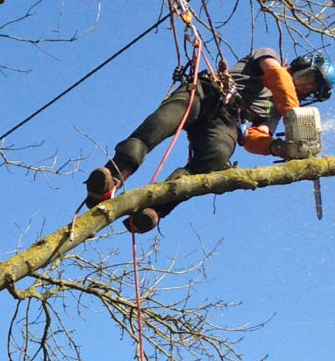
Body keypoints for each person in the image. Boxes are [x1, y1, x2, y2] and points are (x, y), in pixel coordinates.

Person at [83, 49, 335, 233]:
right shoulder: (270, 58)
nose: (307, 90)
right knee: (160, 123)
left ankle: (156, 208)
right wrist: (294, 114)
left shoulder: (276, 111)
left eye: (312, 91)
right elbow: (276, 75)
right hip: (207, 92)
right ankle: (112, 175)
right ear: (303, 66)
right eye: (311, 81)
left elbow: (252, 137)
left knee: (215, 158)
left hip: (226, 122)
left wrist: (278, 147)